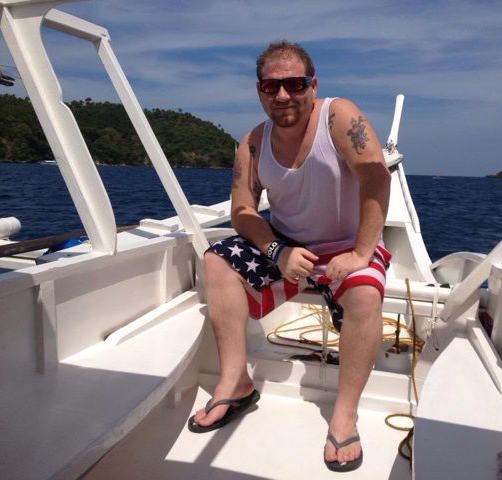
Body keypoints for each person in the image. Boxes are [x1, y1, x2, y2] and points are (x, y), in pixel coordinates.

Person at [188, 40, 391, 472]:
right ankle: (236, 383)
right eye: (271, 86)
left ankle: (344, 414)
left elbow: (376, 177)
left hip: (348, 244)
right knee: (216, 260)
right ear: (259, 91)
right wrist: (277, 251)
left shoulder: (338, 117)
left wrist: (361, 253)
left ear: (312, 85)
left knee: (365, 294)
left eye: (294, 84)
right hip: (287, 245)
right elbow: (242, 210)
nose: (283, 95)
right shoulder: (253, 143)